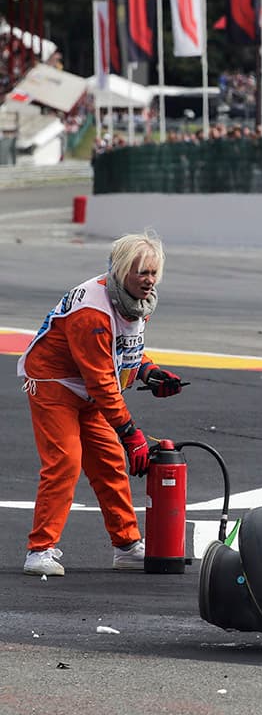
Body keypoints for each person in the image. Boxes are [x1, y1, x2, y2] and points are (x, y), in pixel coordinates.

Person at [18, 232, 185, 576]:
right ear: (122, 271)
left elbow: (123, 350)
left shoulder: (135, 299)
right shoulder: (92, 311)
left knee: (109, 462)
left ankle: (126, 546)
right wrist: (130, 433)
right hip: (55, 382)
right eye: (142, 272)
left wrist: (149, 373)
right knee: (65, 460)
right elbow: (101, 378)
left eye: (153, 272)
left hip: (88, 387)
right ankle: (40, 550)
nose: (150, 280)